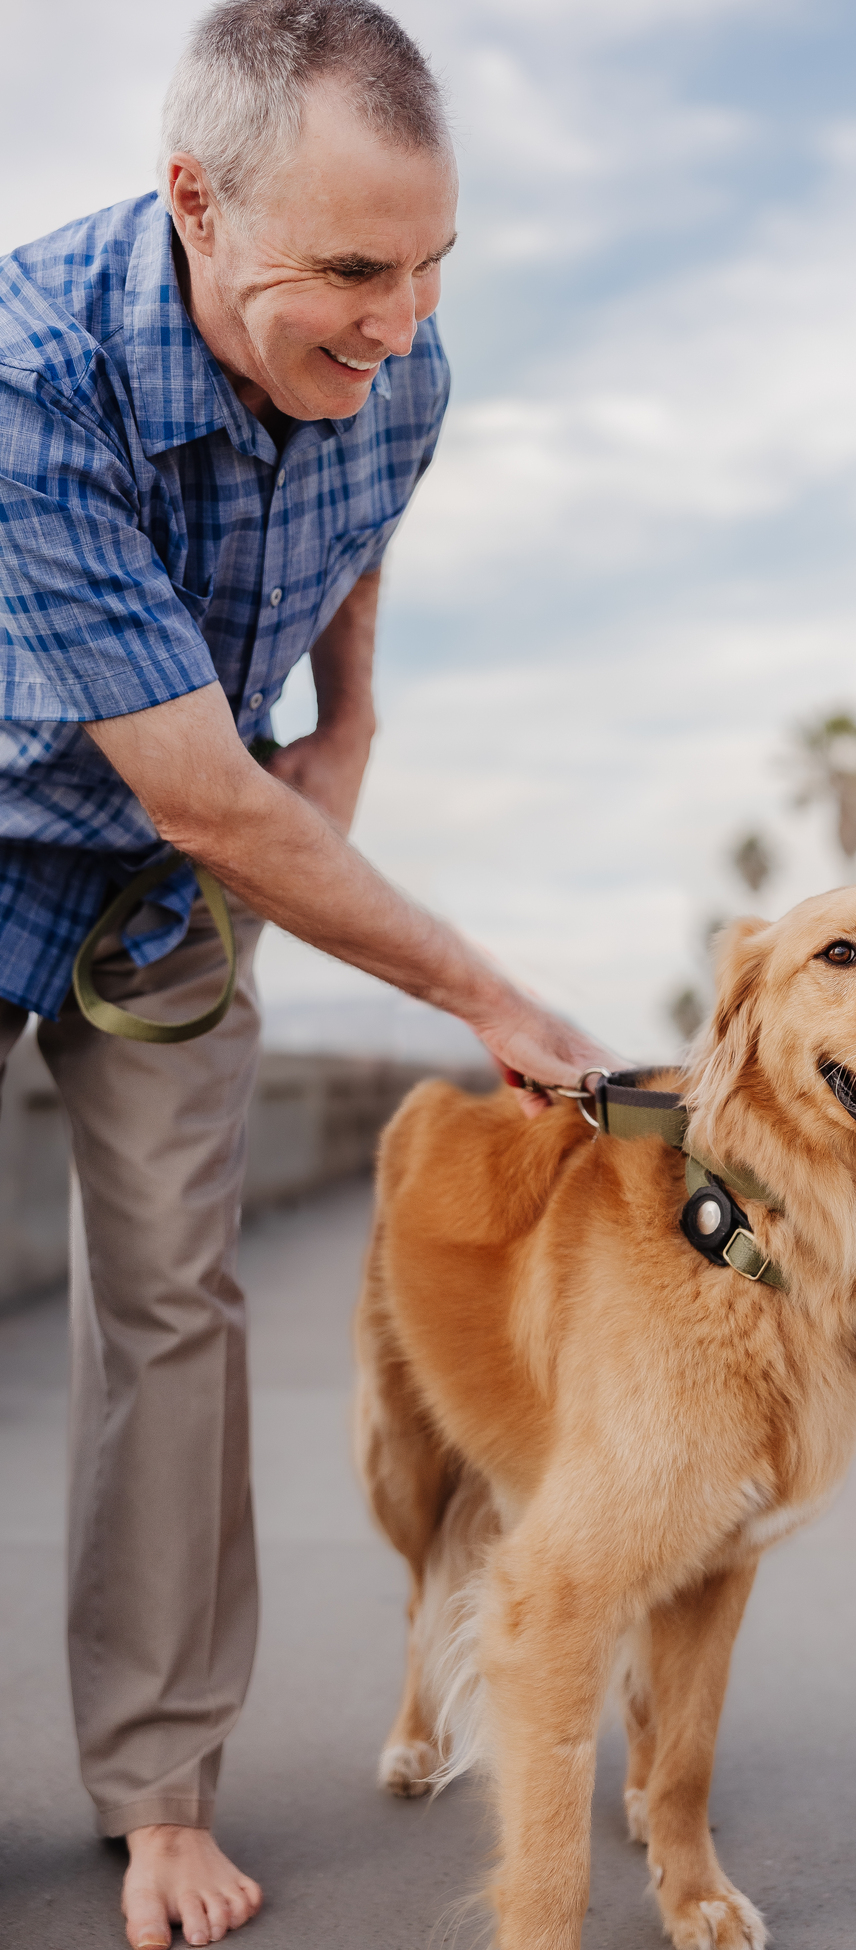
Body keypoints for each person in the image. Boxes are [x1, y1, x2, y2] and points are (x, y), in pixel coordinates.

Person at [0, 4, 616, 1944]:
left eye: (434, 264)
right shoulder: (29, 379)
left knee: (175, 1307)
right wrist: (487, 997)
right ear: (195, 200)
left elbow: (352, 539)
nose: (403, 319)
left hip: (173, 887)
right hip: (80, 803)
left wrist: (342, 736)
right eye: (353, 270)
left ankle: (159, 1789)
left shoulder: (397, 363)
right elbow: (198, 791)